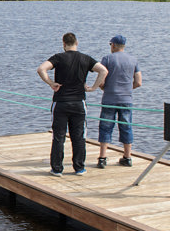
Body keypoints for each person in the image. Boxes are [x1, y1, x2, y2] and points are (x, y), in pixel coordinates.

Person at [37, 32, 107, 177]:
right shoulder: (85, 58)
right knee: (79, 136)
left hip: (61, 102)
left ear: (64, 44)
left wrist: (51, 83)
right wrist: (94, 87)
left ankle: (57, 169)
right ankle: (79, 167)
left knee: (58, 136)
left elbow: (41, 69)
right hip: (79, 103)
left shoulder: (58, 57)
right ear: (77, 43)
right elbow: (103, 70)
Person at [96, 35, 142, 168]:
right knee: (126, 127)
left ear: (114, 45)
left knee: (105, 127)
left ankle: (102, 158)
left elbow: (101, 78)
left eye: (111, 44)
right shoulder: (133, 60)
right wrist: (128, 88)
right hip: (126, 99)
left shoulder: (107, 59)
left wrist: (103, 87)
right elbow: (138, 82)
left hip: (109, 98)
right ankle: (127, 157)